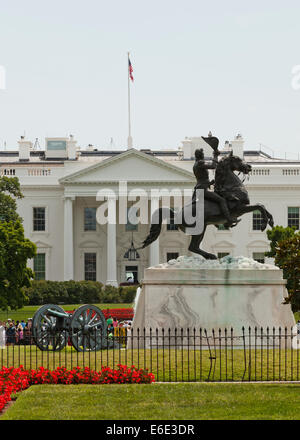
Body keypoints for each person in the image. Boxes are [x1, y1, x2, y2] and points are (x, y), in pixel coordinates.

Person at [192, 146, 239, 227]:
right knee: (221, 200)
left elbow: (201, 179)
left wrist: (210, 183)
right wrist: (215, 155)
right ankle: (229, 220)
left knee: (214, 202)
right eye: (203, 154)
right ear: (200, 155)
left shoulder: (196, 164)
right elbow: (213, 166)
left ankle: (217, 221)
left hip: (201, 188)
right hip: (203, 190)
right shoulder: (199, 163)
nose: (203, 156)